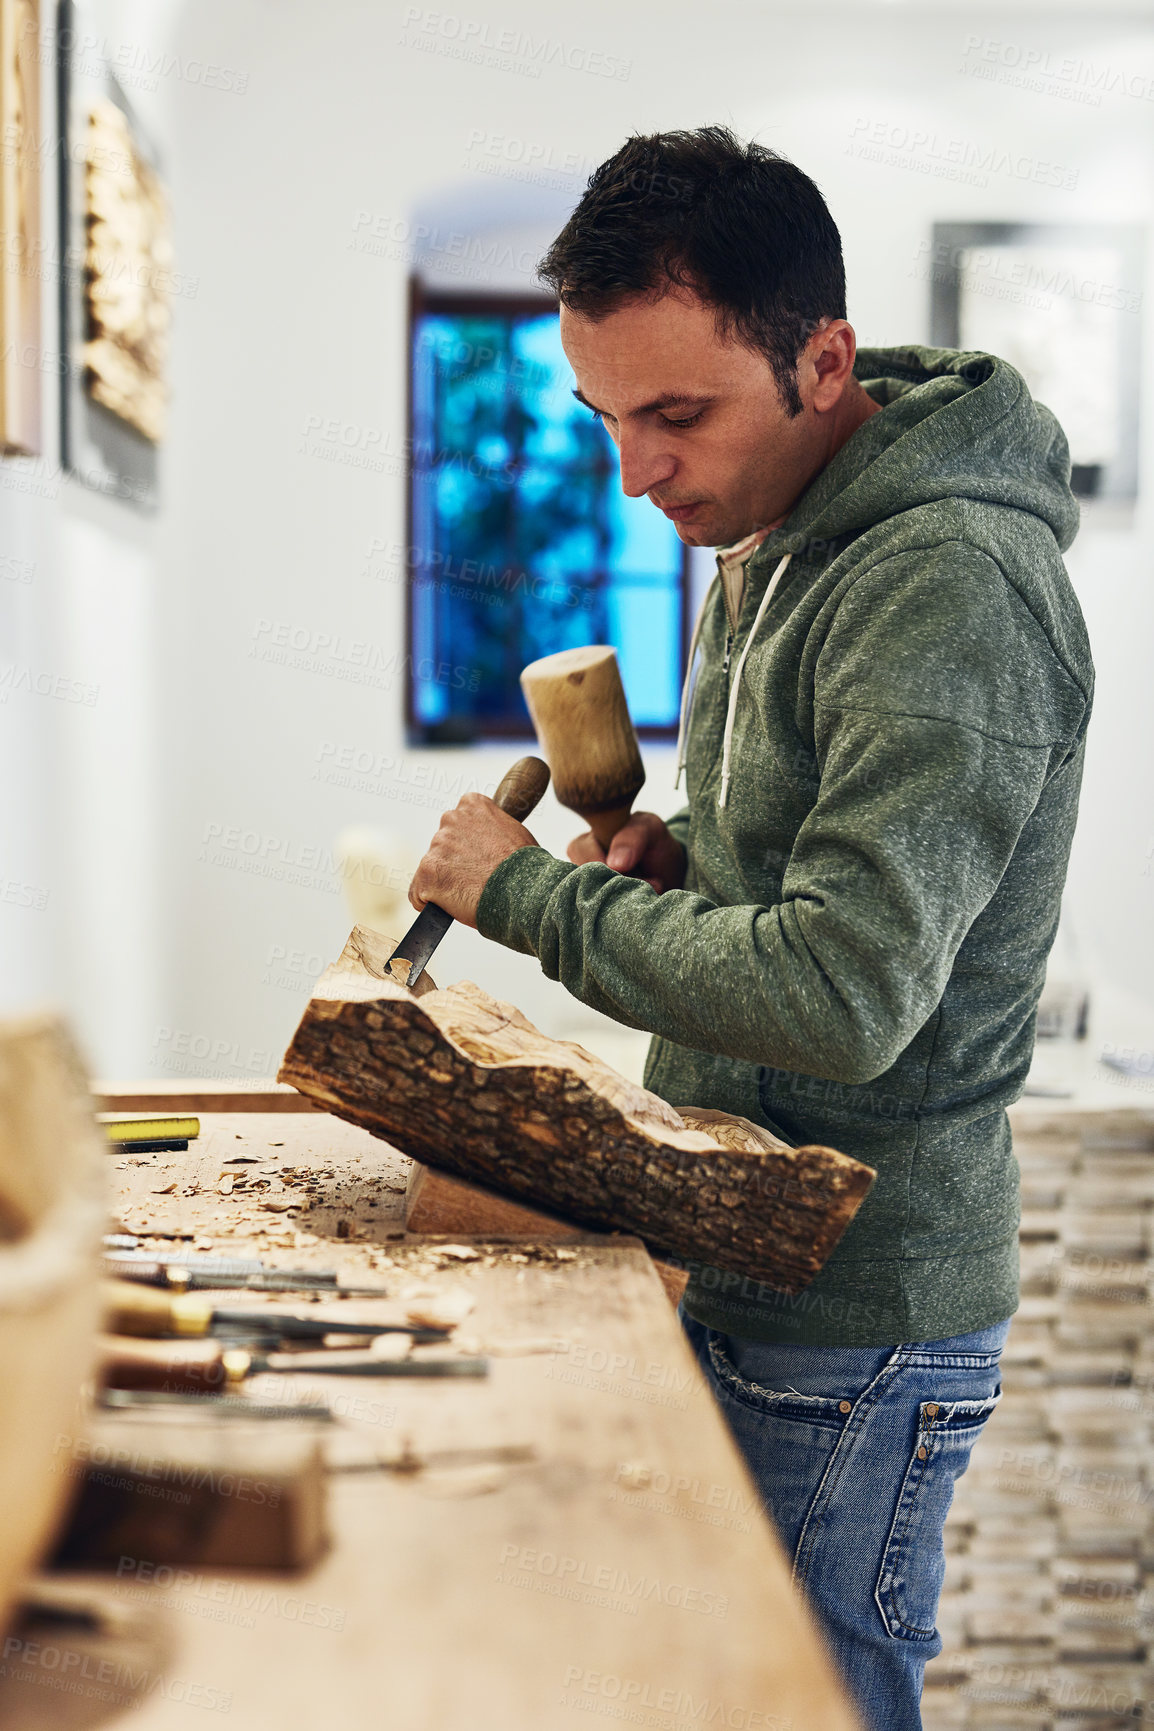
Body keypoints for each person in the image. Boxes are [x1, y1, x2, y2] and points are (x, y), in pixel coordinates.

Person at [407, 127, 1093, 1730]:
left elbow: (850, 989)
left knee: (806, 1705)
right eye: (604, 420)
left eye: (675, 415)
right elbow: (809, 861)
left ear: (822, 361)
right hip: (750, 1234)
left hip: (854, 1304)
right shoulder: (768, 529)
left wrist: (528, 896)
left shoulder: (945, 583)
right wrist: (677, 860)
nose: (634, 471)